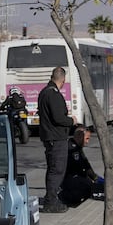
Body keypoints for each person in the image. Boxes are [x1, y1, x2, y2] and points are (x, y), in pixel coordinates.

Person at [36, 65, 75, 213]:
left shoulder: (44, 92)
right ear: (63, 80)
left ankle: (50, 198)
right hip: (56, 137)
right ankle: (51, 201)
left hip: (49, 136)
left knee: (53, 169)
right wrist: (72, 121)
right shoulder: (53, 94)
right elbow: (58, 118)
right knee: (57, 170)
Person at [59, 126, 100, 207]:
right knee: (87, 185)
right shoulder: (71, 148)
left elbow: (86, 164)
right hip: (68, 179)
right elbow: (81, 166)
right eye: (87, 138)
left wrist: (95, 178)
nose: (88, 142)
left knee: (91, 184)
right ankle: (66, 198)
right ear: (79, 137)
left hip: (73, 177)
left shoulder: (77, 147)